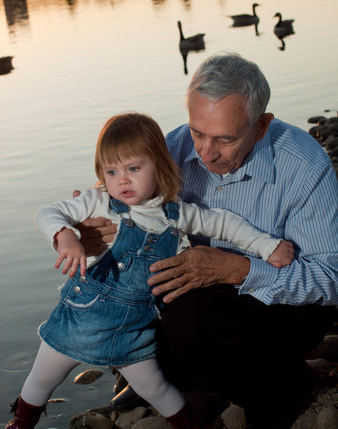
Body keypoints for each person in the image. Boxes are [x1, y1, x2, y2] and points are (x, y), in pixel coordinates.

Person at [79, 54, 338, 428]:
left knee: (189, 326)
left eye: (225, 138)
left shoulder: (305, 166)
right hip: (199, 288)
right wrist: (91, 225)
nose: (205, 151)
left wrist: (240, 269)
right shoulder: (177, 146)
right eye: (198, 131)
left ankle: (286, 388)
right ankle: (190, 375)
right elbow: (124, 190)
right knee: (108, 304)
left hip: (283, 300)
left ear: (262, 126)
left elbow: (330, 280)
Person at [6, 112, 295, 429]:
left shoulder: (175, 215)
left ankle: (191, 422)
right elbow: (47, 212)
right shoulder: (98, 202)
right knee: (41, 381)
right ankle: (20, 422)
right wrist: (65, 235)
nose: (122, 180)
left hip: (133, 330)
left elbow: (224, 223)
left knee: (155, 387)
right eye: (111, 171)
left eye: (133, 168)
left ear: (159, 163)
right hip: (79, 320)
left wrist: (266, 245)